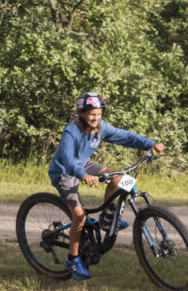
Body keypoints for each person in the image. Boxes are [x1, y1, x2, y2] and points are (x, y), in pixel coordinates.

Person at [48, 92, 164, 281]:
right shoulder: (72, 131)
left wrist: (150, 144)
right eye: (92, 114)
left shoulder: (101, 128)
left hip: (84, 164)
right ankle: (73, 259)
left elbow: (125, 136)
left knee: (120, 179)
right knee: (80, 216)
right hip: (64, 172)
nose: (96, 118)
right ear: (81, 113)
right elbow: (67, 158)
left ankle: (107, 217)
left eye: (99, 114)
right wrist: (83, 175)